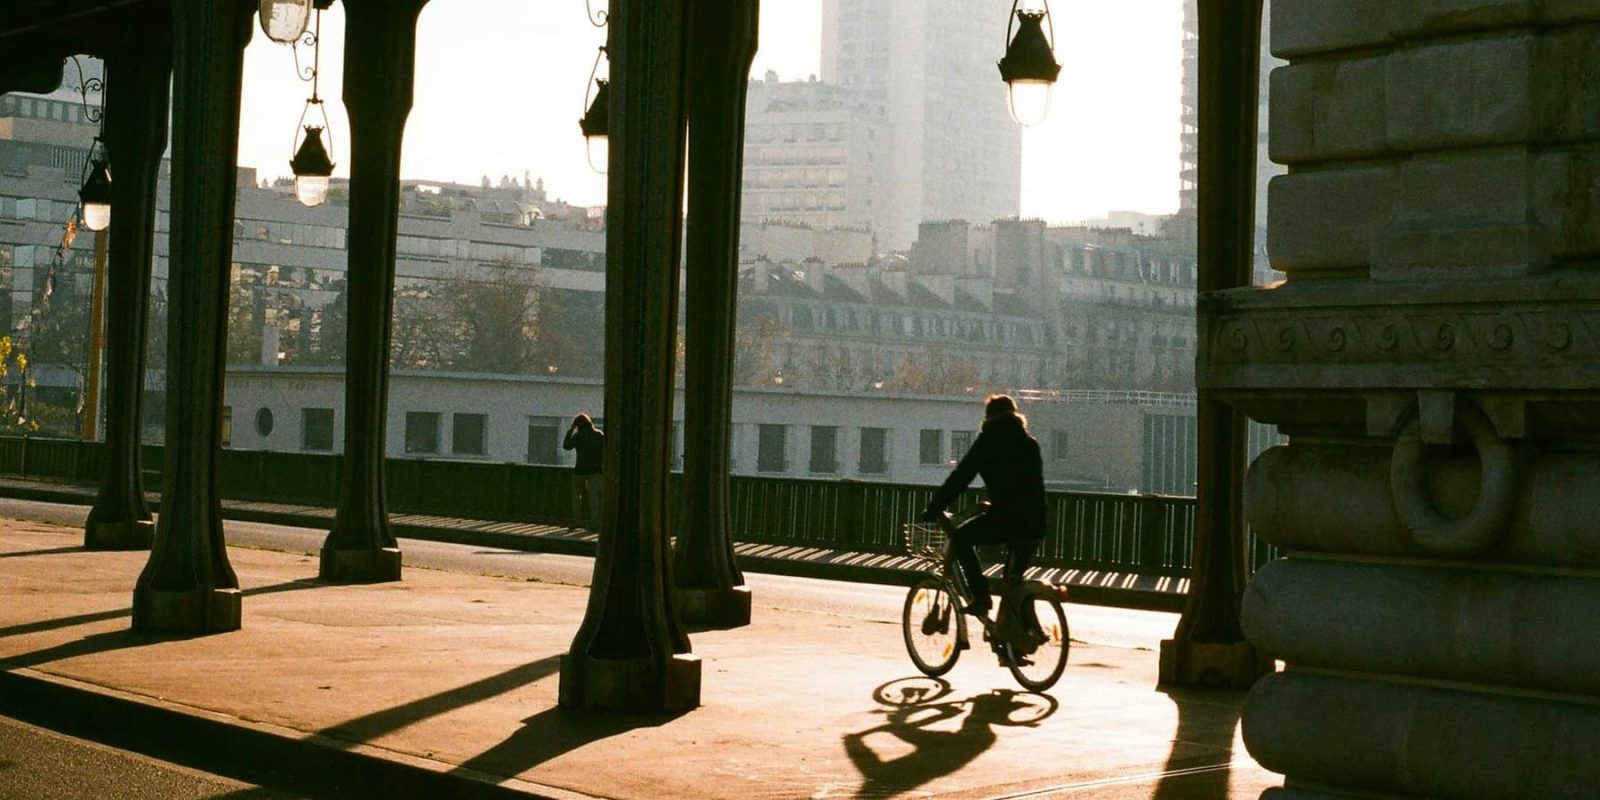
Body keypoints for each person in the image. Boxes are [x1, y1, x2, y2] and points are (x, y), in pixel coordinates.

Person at [921, 394, 1046, 618]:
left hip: (1006, 518)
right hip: (1036, 521)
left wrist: (934, 508)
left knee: (960, 539)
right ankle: (1020, 637)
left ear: (989, 417)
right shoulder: (1030, 444)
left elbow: (960, 478)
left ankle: (981, 596)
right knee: (1013, 581)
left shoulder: (989, 441)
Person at [563, 414, 604, 530]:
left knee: (577, 496)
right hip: (596, 470)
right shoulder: (599, 435)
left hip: (580, 469)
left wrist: (570, 430)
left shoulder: (578, 436)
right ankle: (594, 522)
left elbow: (566, 446)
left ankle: (577, 520)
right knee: (594, 497)